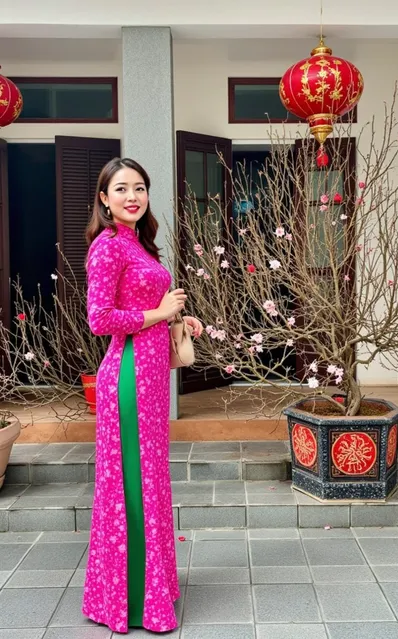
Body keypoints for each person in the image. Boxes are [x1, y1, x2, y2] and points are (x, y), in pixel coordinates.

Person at [82, 157, 203, 634]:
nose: (132, 196)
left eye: (140, 187)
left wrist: (179, 320)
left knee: (150, 484)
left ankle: (149, 589)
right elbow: (101, 320)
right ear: (104, 198)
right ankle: (133, 605)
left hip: (151, 380)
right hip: (128, 380)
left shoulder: (140, 245)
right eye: (121, 188)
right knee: (134, 487)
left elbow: (148, 307)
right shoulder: (108, 247)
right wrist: (158, 313)